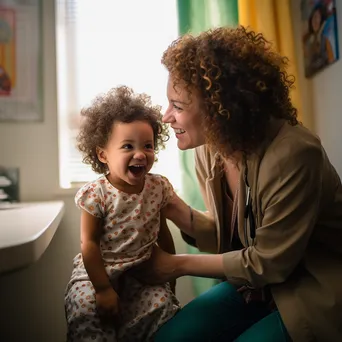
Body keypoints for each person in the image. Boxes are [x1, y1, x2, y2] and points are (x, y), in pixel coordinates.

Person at [129, 26, 342, 342]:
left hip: (310, 288)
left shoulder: (294, 154)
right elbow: (229, 237)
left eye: (178, 106)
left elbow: (268, 262)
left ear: (219, 108)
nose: (165, 116)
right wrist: (171, 205)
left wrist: (175, 265)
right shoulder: (209, 148)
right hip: (256, 287)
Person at [64, 86, 180, 342]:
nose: (140, 154)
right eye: (128, 146)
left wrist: (171, 275)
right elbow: (89, 243)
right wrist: (103, 288)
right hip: (98, 272)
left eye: (147, 146)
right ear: (103, 154)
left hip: (142, 271)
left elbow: (162, 232)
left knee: (162, 307)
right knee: (86, 310)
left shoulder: (157, 187)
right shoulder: (96, 194)